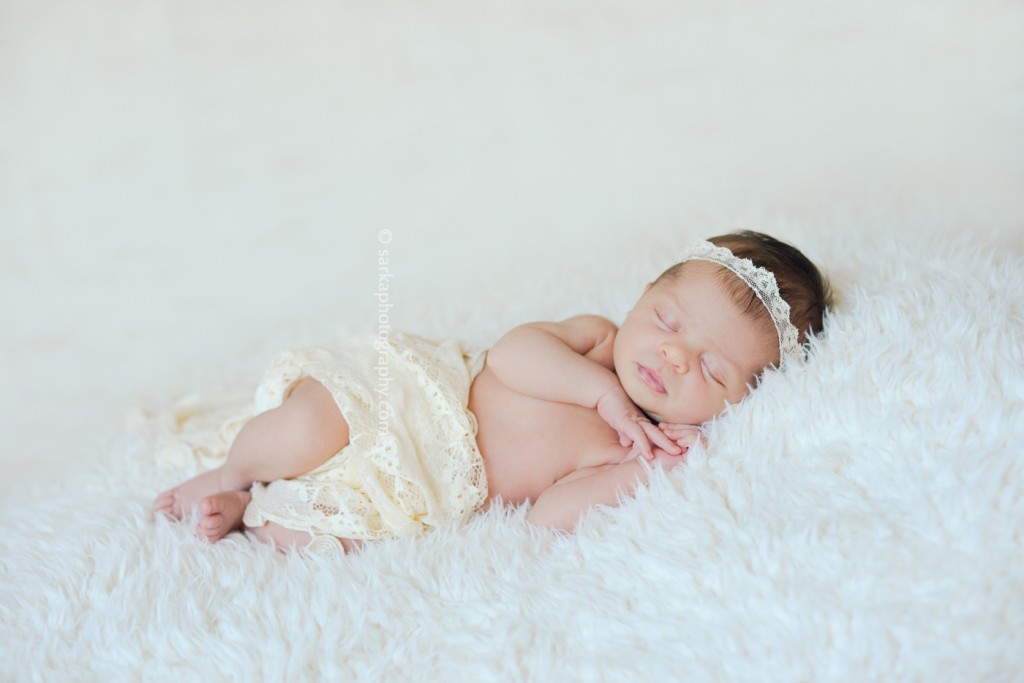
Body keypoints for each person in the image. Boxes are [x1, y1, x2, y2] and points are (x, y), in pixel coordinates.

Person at [153, 230, 832, 557]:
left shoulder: (627, 450)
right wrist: (598, 391)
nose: (673, 355)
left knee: (318, 540)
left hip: (427, 484)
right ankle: (233, 470)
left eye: (712, 369)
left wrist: (641, 470)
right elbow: (510, 355)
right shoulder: (595, 340)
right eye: (666, 321)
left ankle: (248, 510)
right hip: (413, 398)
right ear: (641, 298)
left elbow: (545, 518)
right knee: (297, 433)